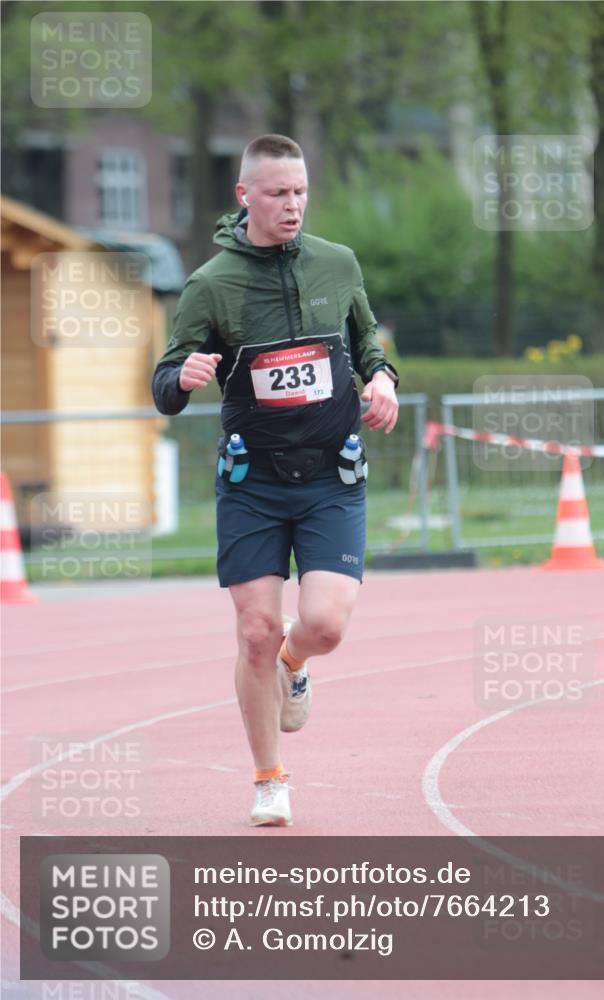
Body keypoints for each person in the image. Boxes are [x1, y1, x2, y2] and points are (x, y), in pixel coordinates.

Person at [152, 134, 399, 827]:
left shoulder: (337, 263)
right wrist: (183, 376)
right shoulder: (211, 285)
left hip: (331, 477)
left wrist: (383, 378)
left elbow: (367, 343)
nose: (292, 205)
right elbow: (164, 384)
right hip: (252, 483)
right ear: (245, 196)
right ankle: (269, 779)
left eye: (300, 192)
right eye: (278, 193)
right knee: (255, 631)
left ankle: (298, 661)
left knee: (322, 625)